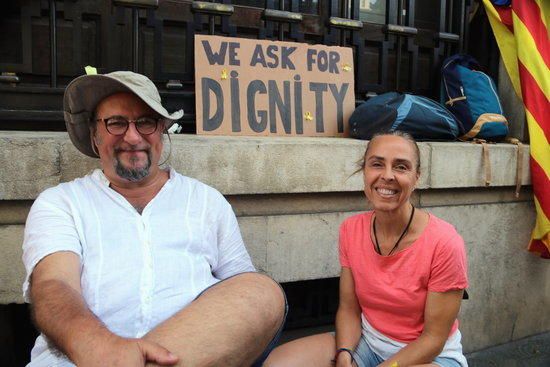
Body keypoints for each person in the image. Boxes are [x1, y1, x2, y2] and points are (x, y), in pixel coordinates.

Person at [22, 71, 286, 367]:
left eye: (146, 122)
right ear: (95, 135)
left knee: (262, 291)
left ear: (162, 131)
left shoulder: (206, 201)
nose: (133, 137)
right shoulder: (61, 203)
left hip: (188, 359)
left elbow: (242, 296)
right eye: (116, 122)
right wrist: (101, 349)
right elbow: (55, 285)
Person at [265, 131, 468, 367]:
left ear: (416, 178)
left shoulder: (445, 242)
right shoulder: (351, 230)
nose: (388, 175)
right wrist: (344, 354)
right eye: (377, 164)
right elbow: (349, 310)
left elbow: (433, 339)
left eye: (401, 167)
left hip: (430, 357)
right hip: (368, 345)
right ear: (365, 172)